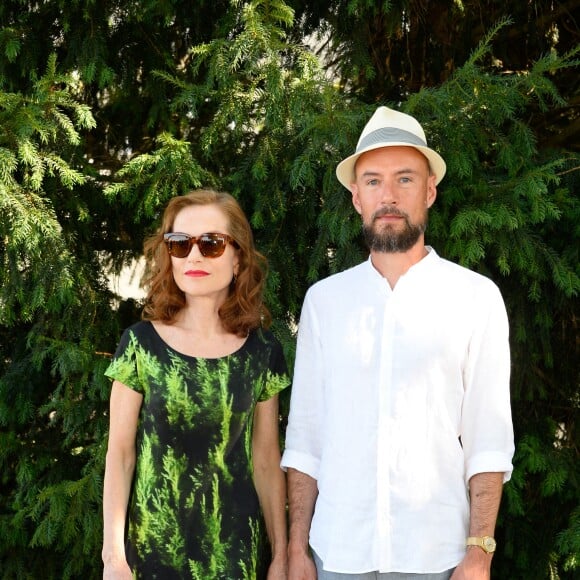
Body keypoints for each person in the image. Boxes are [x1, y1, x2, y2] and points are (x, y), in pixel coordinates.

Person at [281, 106, 515, 580]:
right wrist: (296, 549)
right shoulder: (325, 302)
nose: (388, 196)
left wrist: (480, 553)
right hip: (337, 555)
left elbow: (487, 439)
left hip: (436, 557)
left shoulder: (475, 297)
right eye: (373, 181)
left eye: (404, 179)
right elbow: (306, 437)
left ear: (429, 190)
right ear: (355, 198)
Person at [102, 189, 290, 579]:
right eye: (179, 244)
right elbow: (120, 455)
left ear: (238, 258)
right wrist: (113, 557)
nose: (193, 256)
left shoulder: (262, 352)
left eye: (211, 244)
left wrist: (281, 556)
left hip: (235, 555)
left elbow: (267, 461)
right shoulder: (140, 345)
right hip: (150, 556)